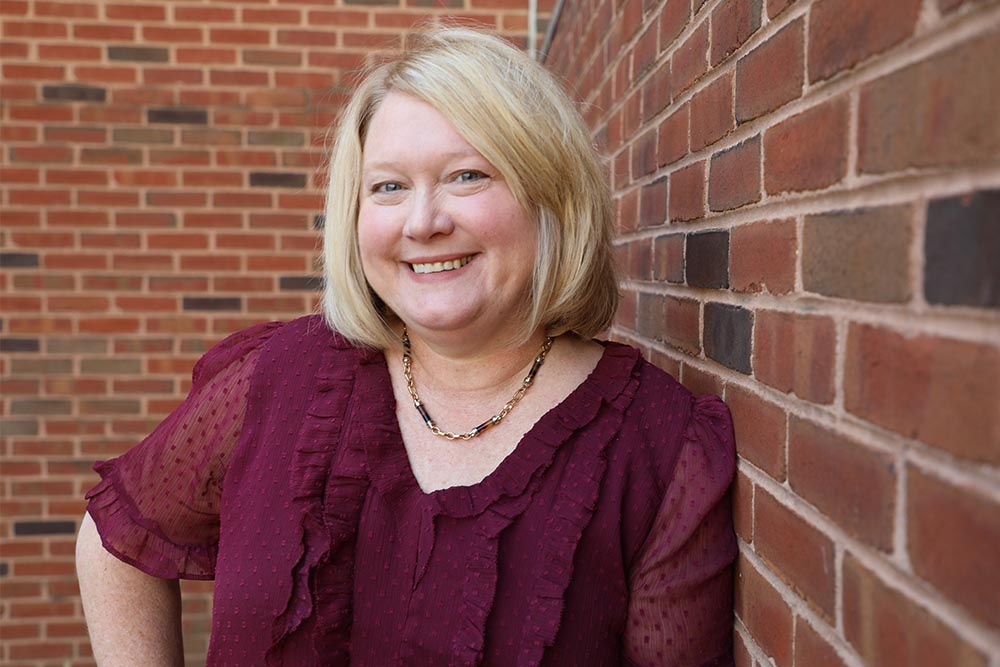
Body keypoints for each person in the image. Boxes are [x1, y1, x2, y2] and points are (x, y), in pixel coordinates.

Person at [76, 27, 737, 666]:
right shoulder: (278, 380)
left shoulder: (657, 448)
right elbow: (115, 541)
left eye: (467, 175)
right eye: (389, 186)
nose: (423, 222)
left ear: (553, 197)